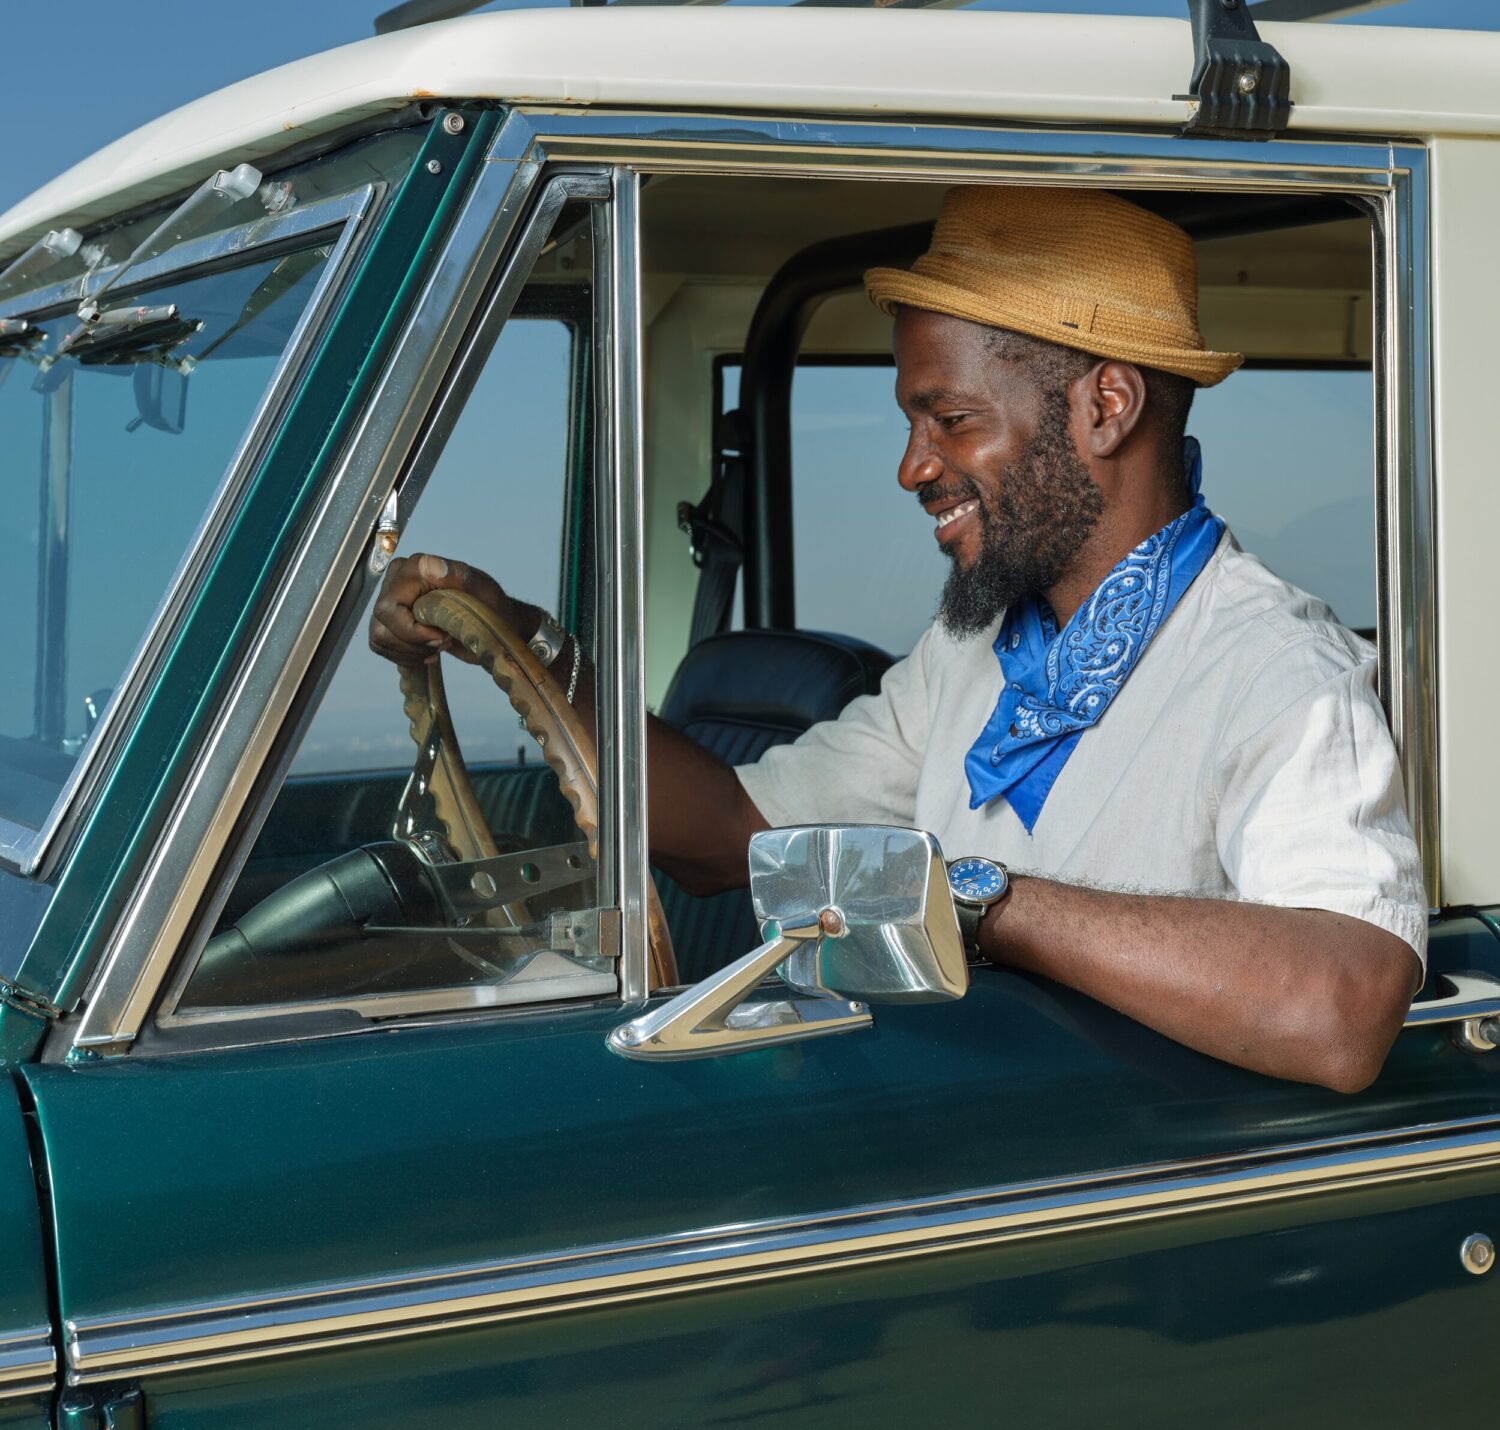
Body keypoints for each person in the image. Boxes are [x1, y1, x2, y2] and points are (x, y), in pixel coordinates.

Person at [371, 184, 1425, 1093]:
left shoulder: (1278, 671)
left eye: (952, 420)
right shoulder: (971, 655)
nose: (913, 468)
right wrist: (533, 649)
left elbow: (1343, 1007)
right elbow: (731, 829)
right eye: (913, 425)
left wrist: (980, 902)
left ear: (1105, 405)